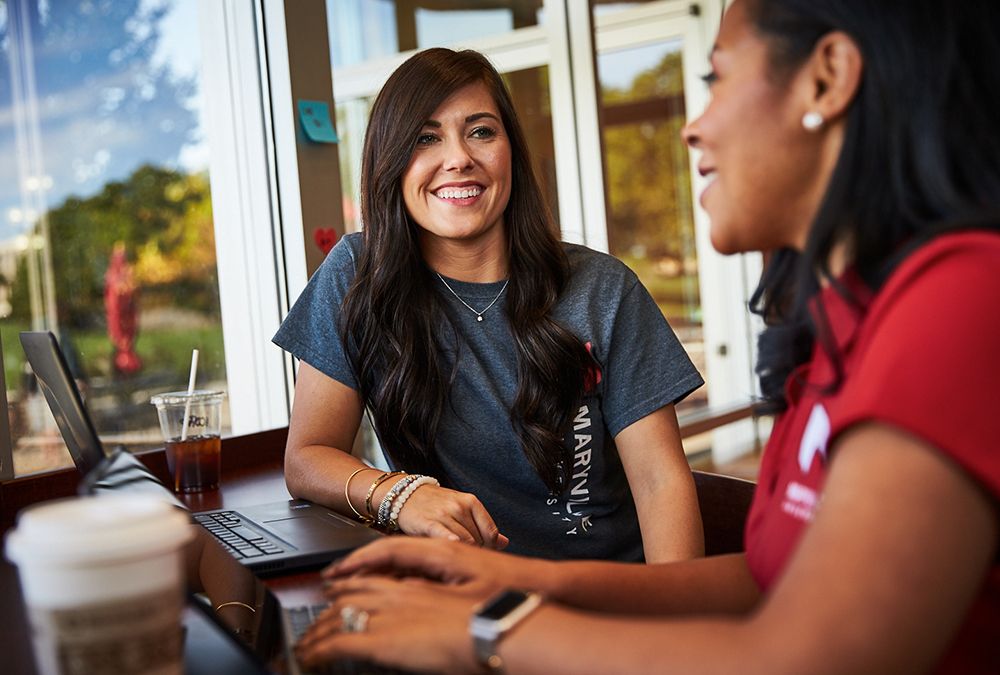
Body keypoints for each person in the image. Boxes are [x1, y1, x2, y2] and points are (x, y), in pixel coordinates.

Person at [294, 1, 1000, 673]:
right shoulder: (836, 328)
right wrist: (509, 580)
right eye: (426, 137)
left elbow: (811, 652)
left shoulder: (958, 299)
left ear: (827, 78)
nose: (692, 127)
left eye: (716, 78)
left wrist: (486, 631)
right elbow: (765, 578)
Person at [272, 47, 705, 563]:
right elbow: (307, 458)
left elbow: (661, 483)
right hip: (460, 601)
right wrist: (403, 497)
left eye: (481, 131)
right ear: (391, 161)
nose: (458, 158)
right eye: (426, 138)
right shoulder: (357, 274)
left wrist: (668, 627)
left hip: (603, 599)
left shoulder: (603, 289)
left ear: (511, 152)